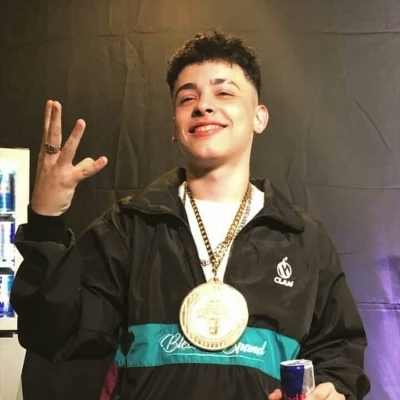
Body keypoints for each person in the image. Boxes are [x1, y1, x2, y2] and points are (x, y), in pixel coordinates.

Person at [11, 30, 370, 400]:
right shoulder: (129, 227)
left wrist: (333, 391)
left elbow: (339, 351)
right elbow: (52, 333)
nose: (203, 106)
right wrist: (46, 219)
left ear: (259, 117)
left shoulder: (302, 238)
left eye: (224, 93)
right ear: (174, 126)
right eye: (187, 98)